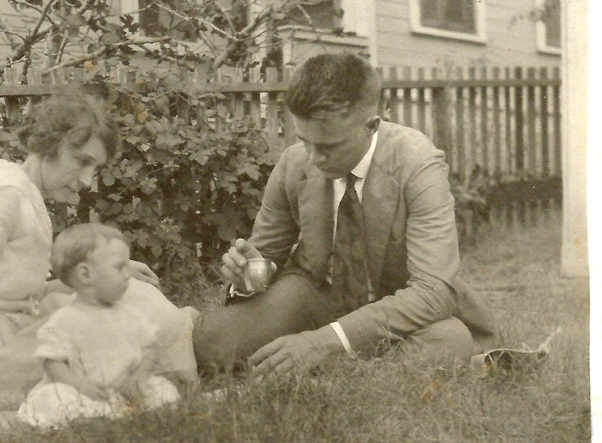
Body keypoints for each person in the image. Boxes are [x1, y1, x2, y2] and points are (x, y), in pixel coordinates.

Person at [193, 53, 498, 380]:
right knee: (211, 340)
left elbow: (433, 292)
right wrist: (251, 277)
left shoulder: (418, 163)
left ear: (371, 126)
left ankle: (320, 371)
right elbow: (266, 257)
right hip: (316, 297)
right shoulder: (294, 163)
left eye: (329, 146)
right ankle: (340, 371)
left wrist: (323, 342)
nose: (314, 158)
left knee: (450, 341)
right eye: (305, 141)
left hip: (396, 310)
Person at [0, 93, 158, 429]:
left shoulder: (23, 191)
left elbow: (19, 291)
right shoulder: (2, 196)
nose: (87, 180)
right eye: (82, 161)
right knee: (104, 327)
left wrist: (108, 271)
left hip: (0, 330)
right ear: (49, 144)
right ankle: (169, 376)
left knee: (113, 298)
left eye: (95, 168)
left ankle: (172, 361)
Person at [18, 223, 199, 428]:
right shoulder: (64, 320)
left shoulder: (130, 313)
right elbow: (53, 364)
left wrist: (139, 377)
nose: (127, 274)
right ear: (86, 274)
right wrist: (80, 386)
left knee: (161, 390)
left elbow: (150, 347)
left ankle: (125, 412)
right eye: (119, 267)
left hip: (126, 387)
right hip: (85, 390)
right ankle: (93, 418)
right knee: (56, 396)